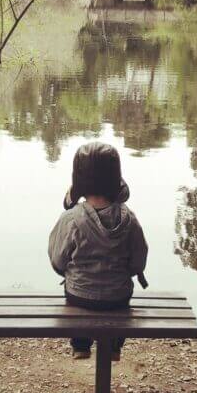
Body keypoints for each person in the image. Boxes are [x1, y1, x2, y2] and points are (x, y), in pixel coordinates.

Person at [48, 142, 148, 360]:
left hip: (80, 295)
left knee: (74, 292)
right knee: (121, 298)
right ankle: (114, 345)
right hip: (118, 296)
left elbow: (57, 261)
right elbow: (139, 262)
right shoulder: (129, 219)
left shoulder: (71, 218)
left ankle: (81, 344)